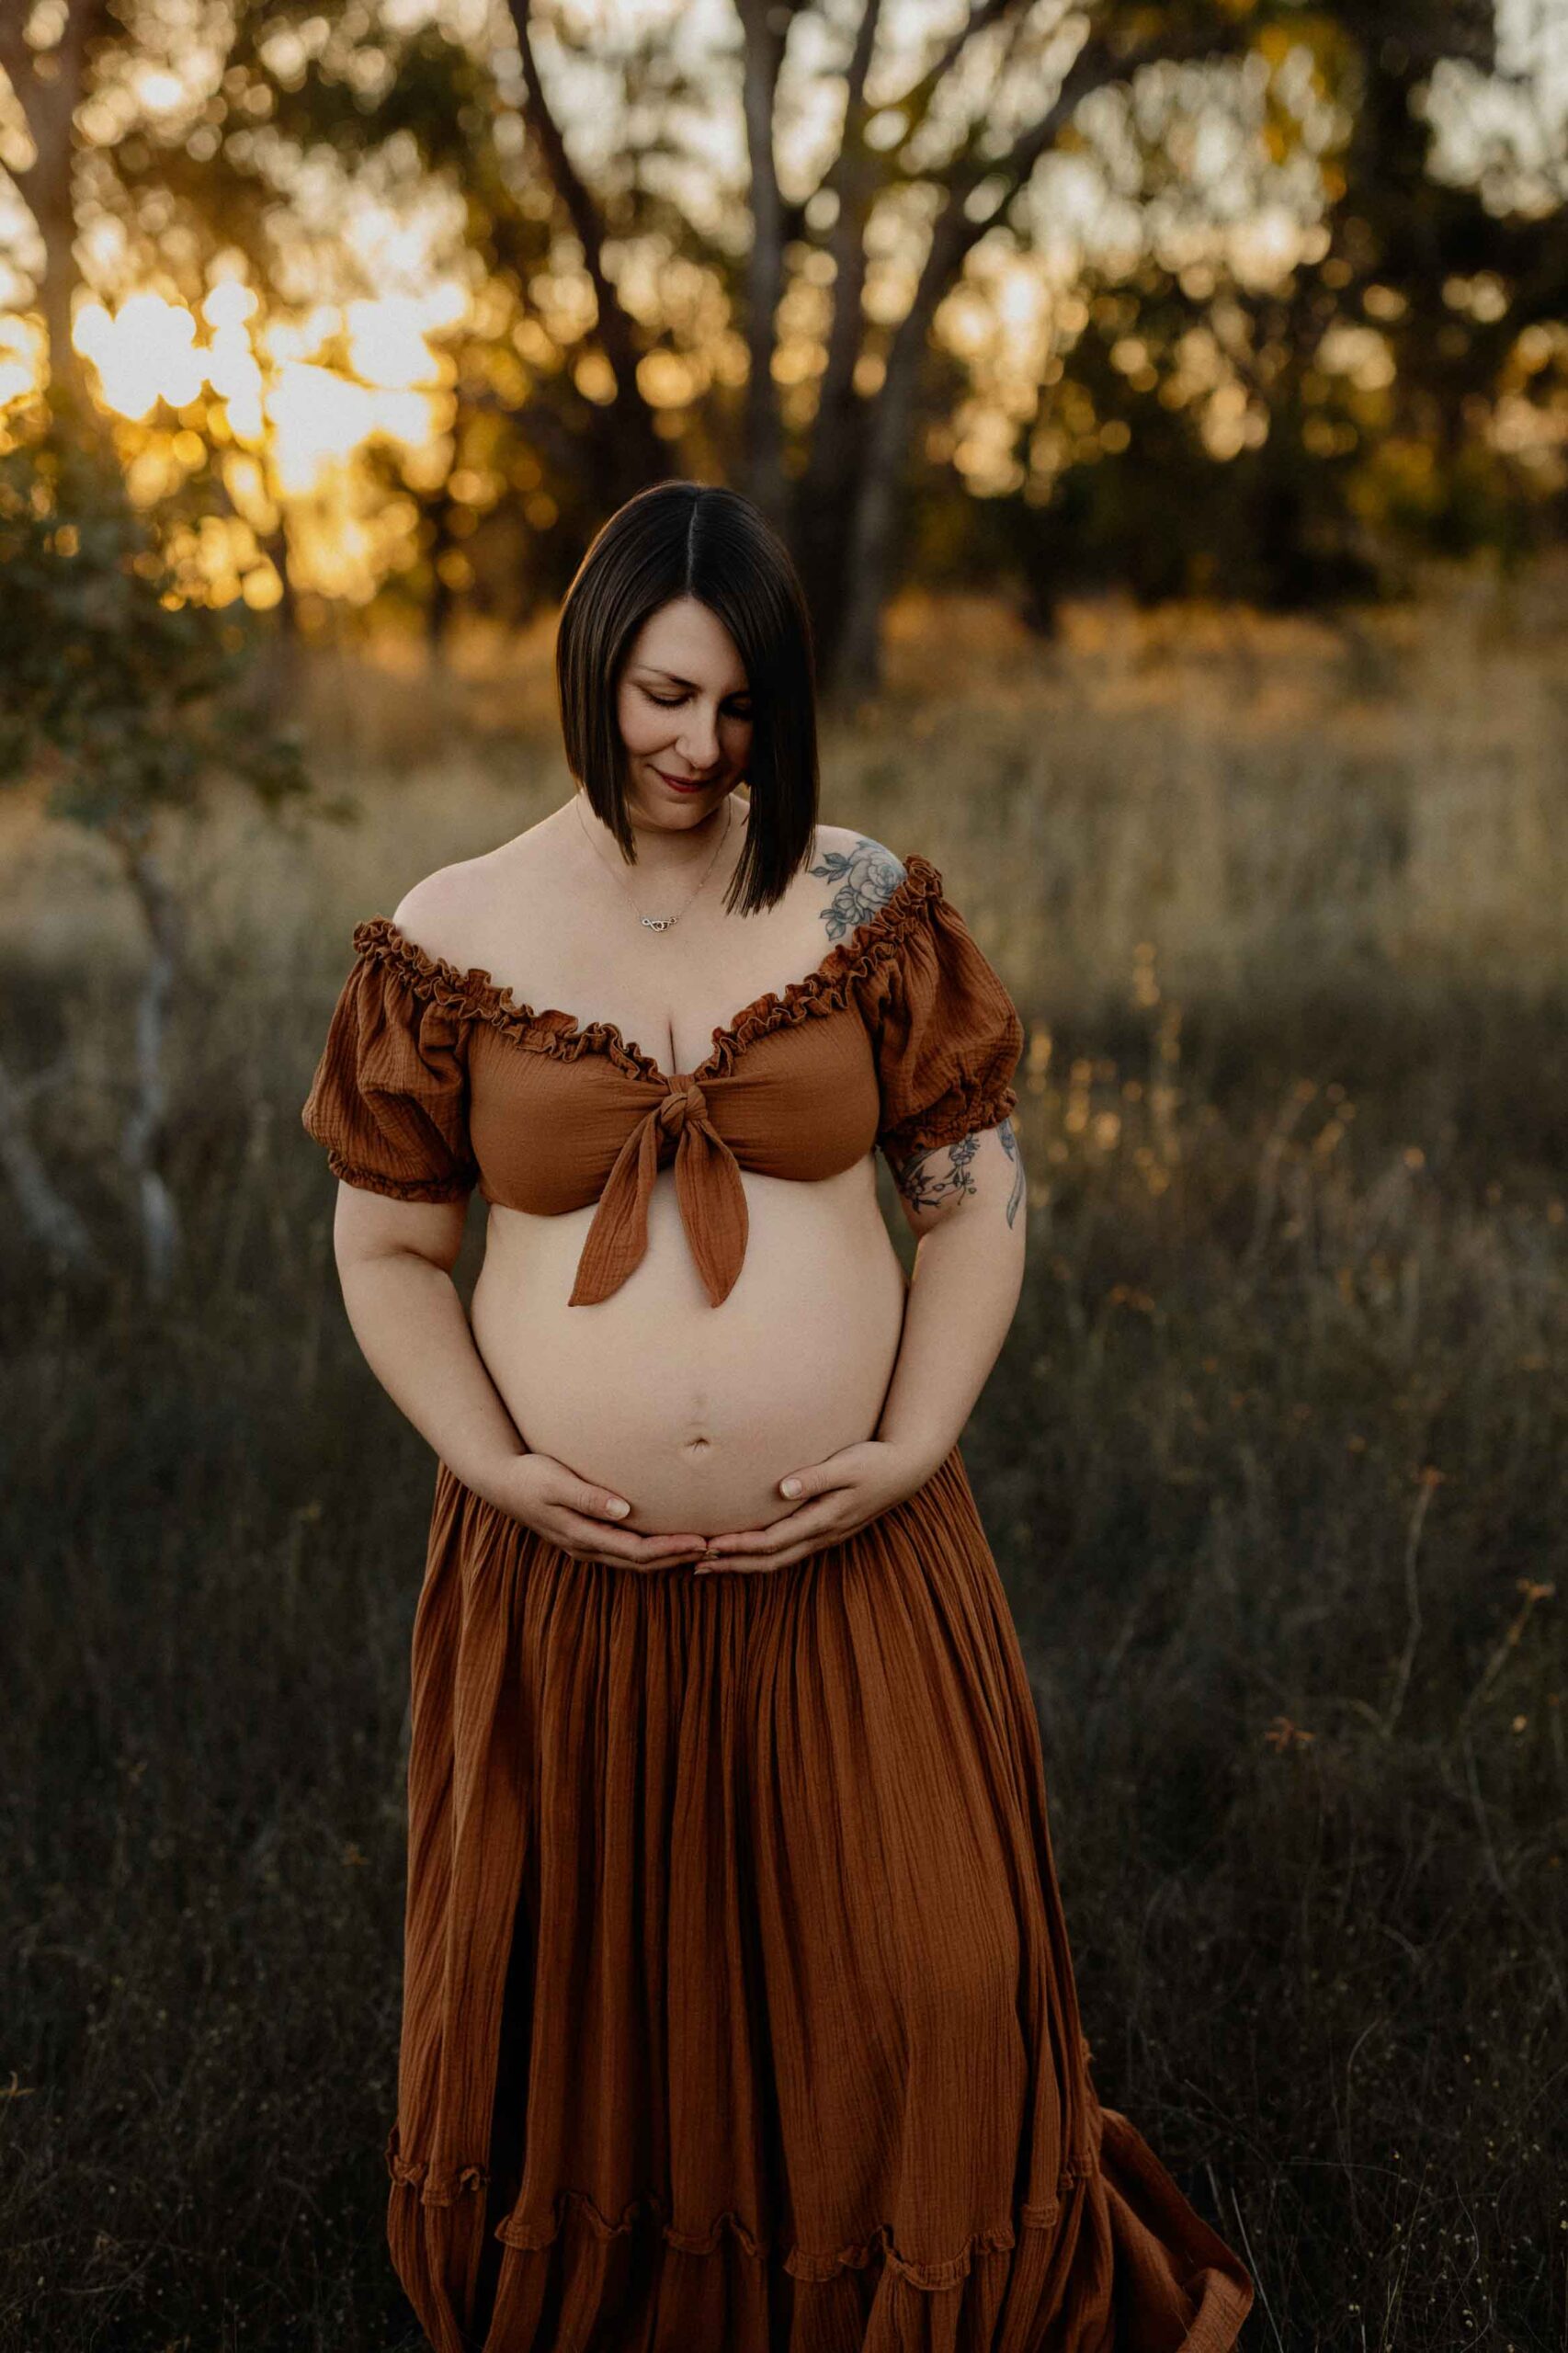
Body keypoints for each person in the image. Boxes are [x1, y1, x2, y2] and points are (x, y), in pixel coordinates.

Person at [300, 480, 1255, 2351]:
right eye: (663, 696)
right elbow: (391, 1243)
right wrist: (492, 1464)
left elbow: (974, 1198)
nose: (696, 745)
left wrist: (903, 1446)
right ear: (593, 667)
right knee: (589, 1996)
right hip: (565, 1570)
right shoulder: (456, 926)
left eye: (740, 709)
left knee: (922, 1974)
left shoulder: (858, 899)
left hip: (853, 1549)